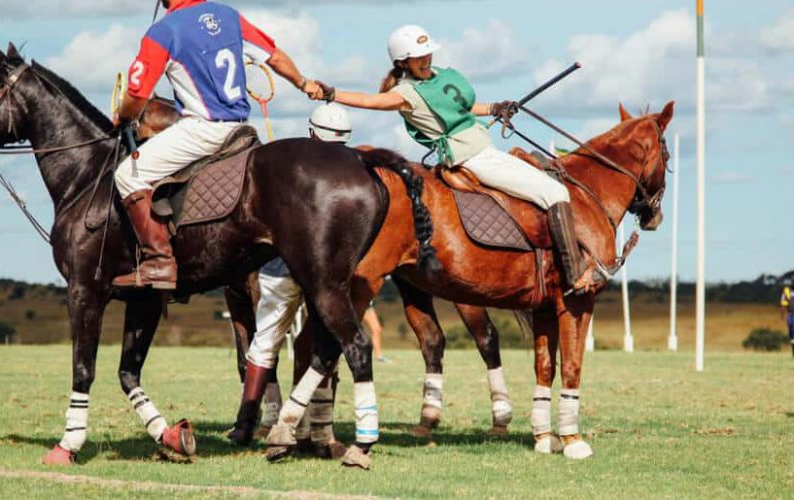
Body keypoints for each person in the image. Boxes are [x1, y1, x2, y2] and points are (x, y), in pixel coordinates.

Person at [312, 25, 594, 293]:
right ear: (402, 63)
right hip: (473, 159)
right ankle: (575, 273)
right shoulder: (405, 93)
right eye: (418, 57)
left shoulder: (440, 76)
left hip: (486, 149)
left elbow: (464, 108)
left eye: (427, 53)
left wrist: (495, 107)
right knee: (555, 192)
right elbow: (371, 101)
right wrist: (333, 93)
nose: (426, 59)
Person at [110, 0, 321, 289]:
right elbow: (274, 56)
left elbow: (137, 94)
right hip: (241, 128)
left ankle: (159, 262)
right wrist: (303, 83)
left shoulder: (163, 32)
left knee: (127, 174)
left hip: (201, 130)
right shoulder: (228, 16)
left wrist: (121, 116)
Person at [230, 103, 353, 457]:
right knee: (326, 346)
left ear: (312, 133)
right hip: (330, 277)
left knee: (265, 342)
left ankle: (251, 424)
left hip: (280, 271)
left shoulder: (291, 168)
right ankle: (321, 435)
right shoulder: (348, 176)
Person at [782, 285, 793, 357]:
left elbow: (783, 307)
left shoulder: (785, 295)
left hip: (790, 317)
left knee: (792, 336)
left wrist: (782, 316)